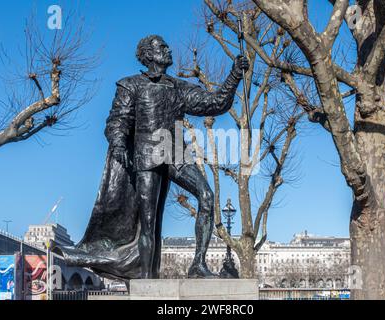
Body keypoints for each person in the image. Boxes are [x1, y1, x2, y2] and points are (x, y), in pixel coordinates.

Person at [56, 35, 249, 280]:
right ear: (148, 55)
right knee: (147, 221)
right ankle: (147, 277)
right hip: (147, 154)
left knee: (206, 196)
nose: (168, 50)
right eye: (162, 47)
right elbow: (117, 121)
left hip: (175, 151)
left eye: (168, 46)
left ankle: (198, 265)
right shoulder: (131, 85)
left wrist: (234, 75)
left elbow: (214, 103)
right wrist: (118, 144)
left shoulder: (178, 87)